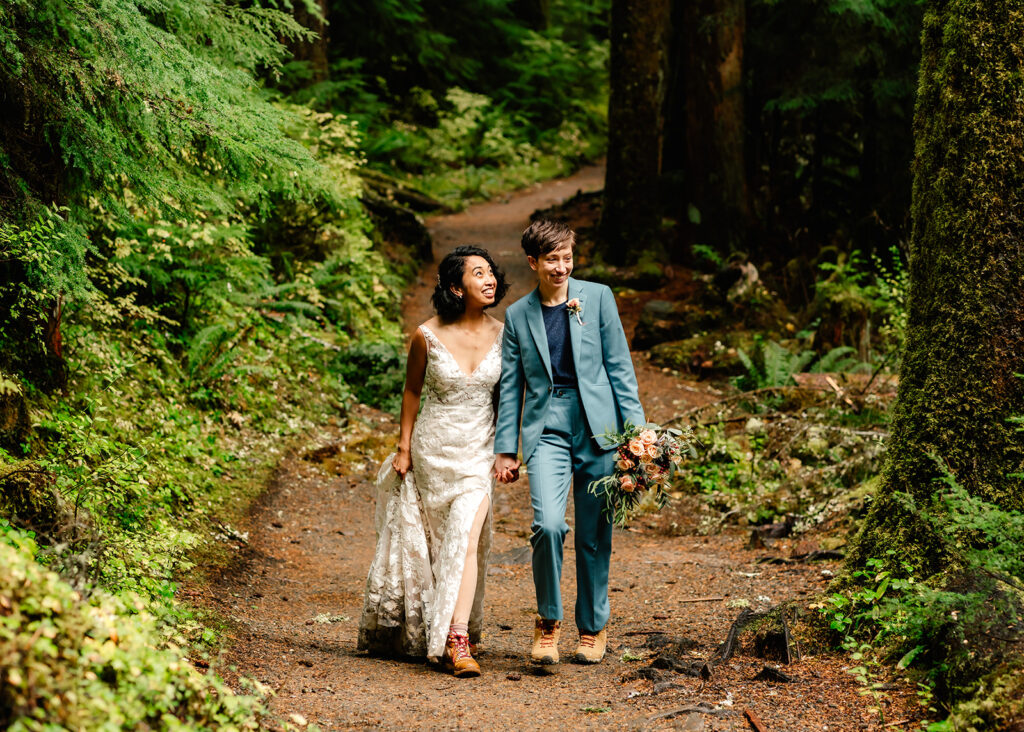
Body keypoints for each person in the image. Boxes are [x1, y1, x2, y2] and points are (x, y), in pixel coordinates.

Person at [493, 219, 644, 665]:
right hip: (547, 428)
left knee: (595, 533)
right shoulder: (518, 315)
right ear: (533, 262)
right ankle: (547, 623)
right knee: (549, 526)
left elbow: (620, 368)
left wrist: (638, 437)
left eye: (567, 258)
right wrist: (507, 448)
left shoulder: (597, 297)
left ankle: (592, 627)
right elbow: (512, 387)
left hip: (599, 426)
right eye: (551, 260)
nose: (560, 267)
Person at [358, 245, 509, 677]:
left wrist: (507, 448)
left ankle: (457, 640)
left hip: (478, 454)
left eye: (490, 272)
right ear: (454, 287)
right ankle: (431, 625)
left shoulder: (505, 333)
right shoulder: (425, 334)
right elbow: (412, 391)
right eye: (477, 273)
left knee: (464, 539)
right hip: (431, 451)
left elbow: (509, 396)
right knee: (439, 545)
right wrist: (404, 448)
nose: (489, 279)